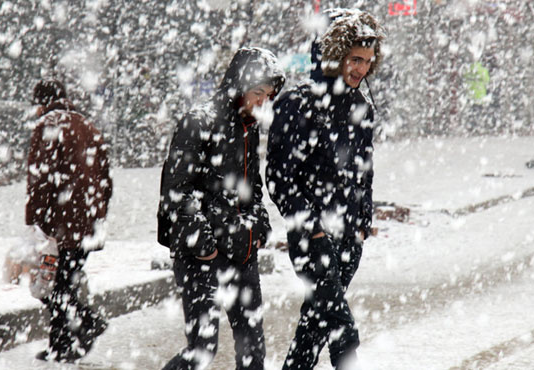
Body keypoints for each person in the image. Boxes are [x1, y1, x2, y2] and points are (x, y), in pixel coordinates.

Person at [266, 9, 385, 370]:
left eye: (367, 61)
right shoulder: (295, 104)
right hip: (311, 235)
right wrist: (311, 225)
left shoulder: (361, 108)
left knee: (315, 325)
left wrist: (363, 221)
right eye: (354, 59)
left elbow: (363, 172)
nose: (361, 69)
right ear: (334, 55)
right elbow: (278, 177)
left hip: (349, 236)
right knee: (338, 323)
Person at [157, 47, 285, 370]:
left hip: (242, 253)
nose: (262, 103)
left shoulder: (249, 130)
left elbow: (253, 192)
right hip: (203, 259)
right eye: (258, 93)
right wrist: (205, 249)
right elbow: (176, 194)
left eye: (268, 96)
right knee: (202, 349)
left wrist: (259, 229)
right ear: (239, 86)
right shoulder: (198, 122)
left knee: (253, 350)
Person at [26, 79, 113, 362]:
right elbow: (106, 179)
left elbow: (42, 178)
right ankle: (62, 345)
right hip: (87, 223)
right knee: (64, 283)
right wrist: (97, 214)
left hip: (60, 223)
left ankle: (86, 324)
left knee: (54, 284)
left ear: (42, 102)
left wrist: (37, 221)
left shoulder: (49, 125)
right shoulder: (88, 125)